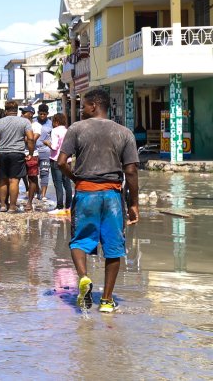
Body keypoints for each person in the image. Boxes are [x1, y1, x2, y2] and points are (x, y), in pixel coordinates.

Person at [59, 87, 139, 314]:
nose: (82, 110)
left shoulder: (76, 129)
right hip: (113, 196)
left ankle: (84, 278)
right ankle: (106, 300)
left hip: (86, 194)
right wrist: (134, 204)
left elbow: (61, 163)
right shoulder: (124, 133)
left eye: (83, 105)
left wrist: (75, 178)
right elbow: (131, 171)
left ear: (94, 105)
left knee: (78, 241)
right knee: (114, 247)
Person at [0, 100, 36, 213]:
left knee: (3, 180)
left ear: (6, 110)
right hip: (17, 153)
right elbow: (31, 138)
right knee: (14, 181)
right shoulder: (24, 122)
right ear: (16, 110)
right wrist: (31, 153)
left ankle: (3, 205)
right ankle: (13, 207)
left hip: (3, 153)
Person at [44, 112, 72, 213]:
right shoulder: (68, 131)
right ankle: (68, 205)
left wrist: (47, 143)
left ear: (56, 122)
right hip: (67, 160)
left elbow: (55, 146)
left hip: (56, 159)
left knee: (58, 183)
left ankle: (59, 206)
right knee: (67, 183)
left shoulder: (55, 131)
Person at [34, 104, 54, 208]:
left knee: (45, 172)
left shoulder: (51, 123)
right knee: (33, 173)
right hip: (34, 151)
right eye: (40, 114)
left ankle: (43, 194)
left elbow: (53, 136)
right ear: (38, 113)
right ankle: (36, 192)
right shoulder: (33, 122)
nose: (42, 115)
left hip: (46, 151)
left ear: (47, 114)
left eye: (44, 114)